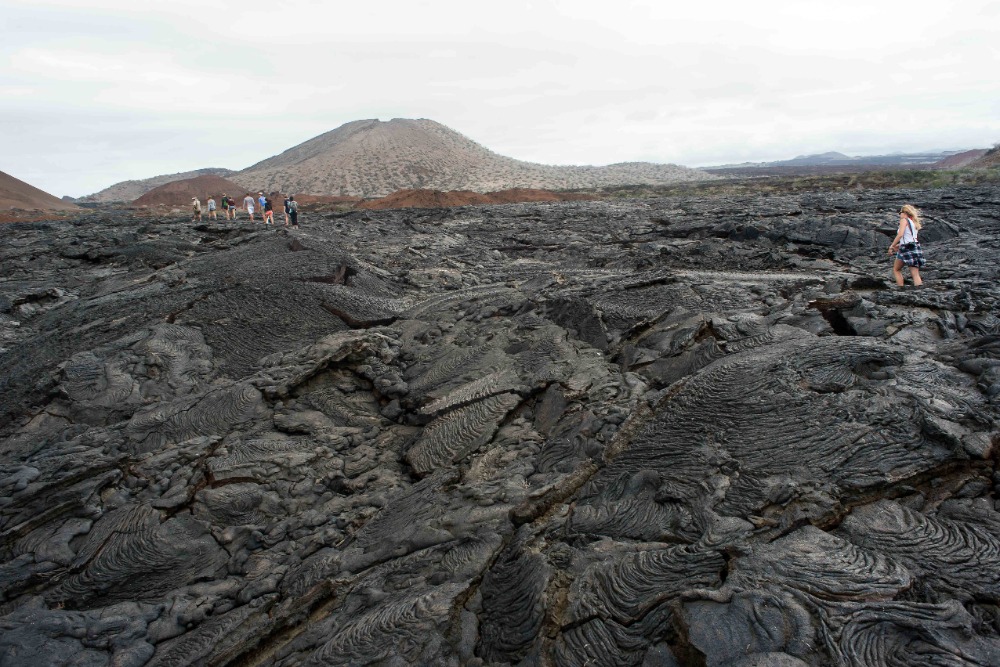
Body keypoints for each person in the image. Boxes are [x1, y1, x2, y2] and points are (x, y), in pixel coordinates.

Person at [887, 204, 925, 287]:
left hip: (906, 248)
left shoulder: (904, 220)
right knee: (915, 273)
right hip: (914, 247)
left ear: (904, 213)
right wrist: (898, 245)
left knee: (896, 269)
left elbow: (900, 234)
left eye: (900, 212)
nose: (899, 214)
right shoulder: (914, 223)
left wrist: (892, 246)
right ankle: (919, 289)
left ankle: (901, 288)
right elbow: (910, 237)